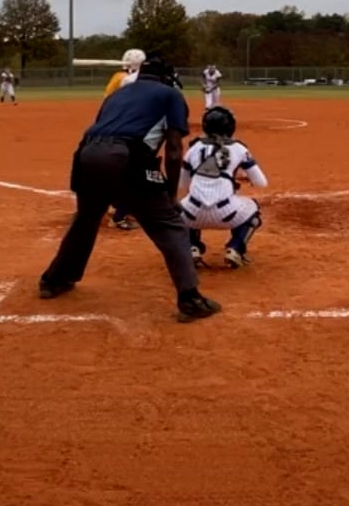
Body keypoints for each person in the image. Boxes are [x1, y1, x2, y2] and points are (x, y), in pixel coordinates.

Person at [38, 53, 222, 322]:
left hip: (87, 153)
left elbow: (103, 128)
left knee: (87, 218)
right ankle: (190, 298)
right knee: (170, 225)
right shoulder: (170, 94)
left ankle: (54, 280)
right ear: (165, 77)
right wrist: (170, 195)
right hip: (127, 154)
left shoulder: (116, 95)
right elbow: (173, 149)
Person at [179, 106, 268, 270]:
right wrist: (235, 176)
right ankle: (235, 248)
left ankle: (192, 247)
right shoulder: (239, 148)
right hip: (227, 214)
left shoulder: (194, 148)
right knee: (253, 208)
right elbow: (261, 183)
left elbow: (182, 184)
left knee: (180, 206)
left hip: (192, 214)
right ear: (231, 127)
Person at [103, 48, 147, 229]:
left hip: (110, 127)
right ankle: (120, 214)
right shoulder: (135, 80)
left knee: (117, 169)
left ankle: (115, 205)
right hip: (131, 130)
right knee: (135, 171)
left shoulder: (118, 77)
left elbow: (107, 100)